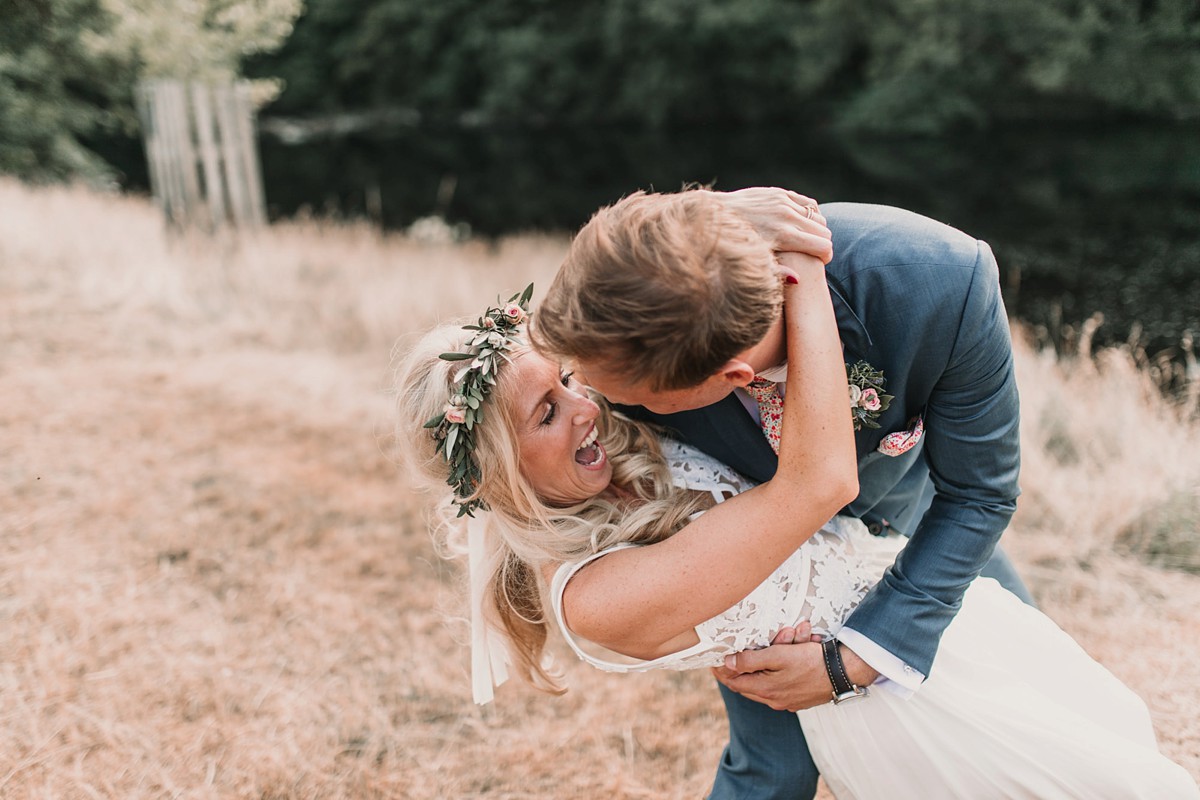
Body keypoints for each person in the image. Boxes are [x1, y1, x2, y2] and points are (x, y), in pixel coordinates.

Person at [393, 270, 1199, 797]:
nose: (587, 403)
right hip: (897, 710)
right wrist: (801, 270)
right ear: (498, 473)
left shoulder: (620, 456)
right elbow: (819, 485)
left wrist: (721, 228)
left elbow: (634, 284)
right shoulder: (598, 601)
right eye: (548, 411)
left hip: (943, 635)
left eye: (568, 379)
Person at [531, 187, 1038, 798]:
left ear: (731, 379)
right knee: (773, 771)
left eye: (632, 400)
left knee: (1027, 703)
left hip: (912, 517)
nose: (590, 400)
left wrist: (856, 659)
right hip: (757, 569)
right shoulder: (620, 328)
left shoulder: (939, 283)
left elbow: (980, 494)